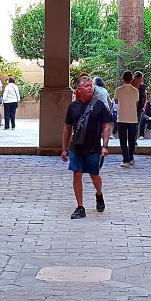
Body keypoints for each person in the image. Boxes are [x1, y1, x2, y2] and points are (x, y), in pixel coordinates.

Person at [61, 77, 114, 219]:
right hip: (76, 147)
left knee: (94, 175)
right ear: (79, 90)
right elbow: (67, 128)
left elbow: (106, 126)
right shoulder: (73, 107)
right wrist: (64, 149)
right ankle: (80, 207)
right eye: (86, 86)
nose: (90, 88)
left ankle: (99, 194)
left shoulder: (99, 106)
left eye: (91, 86)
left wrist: (105, 145)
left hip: (93, 147)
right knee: (77, 174)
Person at [114, 71, 140, 167]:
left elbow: (116, 101)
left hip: (122, 117)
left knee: (123, 140)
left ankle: (126, 159)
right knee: (132, 139)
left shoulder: (118, 90)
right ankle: (131, 157)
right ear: (132, 79)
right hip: (133, 117)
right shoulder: (136, 91)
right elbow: (136, 103)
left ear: (122, 79)